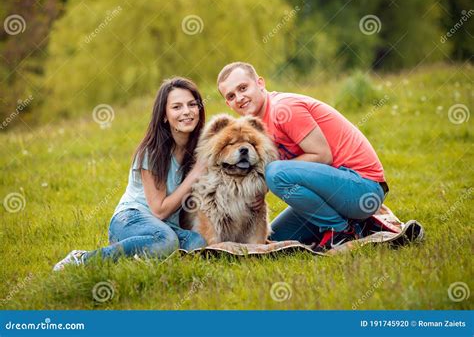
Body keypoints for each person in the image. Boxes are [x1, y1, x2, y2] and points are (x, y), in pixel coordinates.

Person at [217, 62, 389, 252]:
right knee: (278, 238)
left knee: (274, 172)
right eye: (231, 96)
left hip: (362, 188)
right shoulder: (258, 126)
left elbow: (323, 156)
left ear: (260, 83)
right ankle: (359, 225)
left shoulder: (284, 109)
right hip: (334, 193)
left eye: (243, 88)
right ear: (228, 103)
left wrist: (268, 180)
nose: (239, 98)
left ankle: (341, 231)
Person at [53, 77, 208, 271]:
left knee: (197, 243)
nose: (186, 111)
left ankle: (145, 258)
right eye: (177, 107)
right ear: (164, 116)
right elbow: (159, 210)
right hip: (131, 220)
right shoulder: (152, 152)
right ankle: (83, 259)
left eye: (192, 104)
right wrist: (196, 173)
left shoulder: (199, 149)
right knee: (166, 241)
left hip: (166, 228)